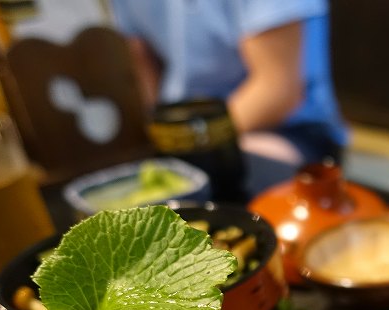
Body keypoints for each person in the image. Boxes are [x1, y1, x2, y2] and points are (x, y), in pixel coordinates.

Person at [109, 0, 349, 199]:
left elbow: (278, 91)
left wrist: (187, 143)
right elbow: (141, 66)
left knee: (231, 182)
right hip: (179, 129)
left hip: (286, 128)